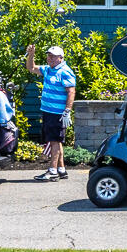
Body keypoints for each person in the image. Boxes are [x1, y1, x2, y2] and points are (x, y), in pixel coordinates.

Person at [25, 43, 76, 181]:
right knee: (56, 141)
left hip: (57, 113)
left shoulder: (65, 71)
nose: (50, 59)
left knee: (54, 141)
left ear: (61, 58)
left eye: (53, 57)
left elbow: (71, 91)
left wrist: (67, 111)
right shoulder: (48, 69)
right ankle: (61, 169)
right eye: (49, 56)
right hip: (48, 112)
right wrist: (31, 54)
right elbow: (31, 68)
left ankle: (52, 171)